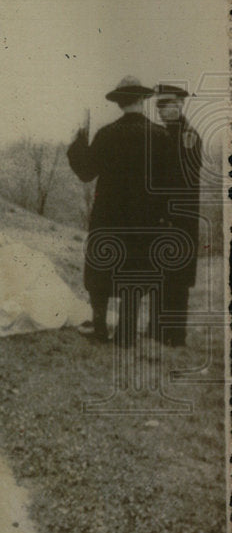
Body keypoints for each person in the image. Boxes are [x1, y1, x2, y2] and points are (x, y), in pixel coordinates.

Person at [67, 76, 170, 345]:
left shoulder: (106, 134)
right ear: (142, 100)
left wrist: (78, 142)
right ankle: (126, 332)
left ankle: (99, 328)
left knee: (101, 269)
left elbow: (86, 172)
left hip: (108, 216)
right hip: (145, 219)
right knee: (135, 269)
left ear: (119, 102)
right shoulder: (160, 136)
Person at [152, 85, 202, 346]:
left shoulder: (188, 136)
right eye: (159, 106)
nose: (161, 110)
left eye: (167, 105)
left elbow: (184, 182)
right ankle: (157, 330)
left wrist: (168, 213)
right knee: (160, 274)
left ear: (180, 104)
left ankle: (174, 335)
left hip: (180, 218)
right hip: (163, 217)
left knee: (177, 278)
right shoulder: (161, 134)